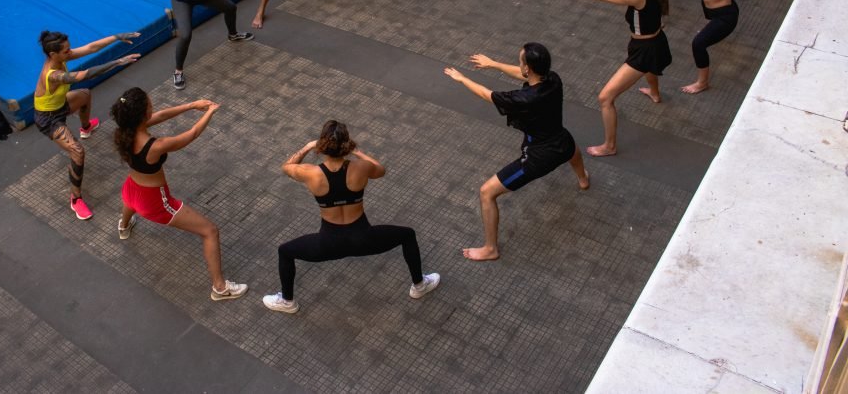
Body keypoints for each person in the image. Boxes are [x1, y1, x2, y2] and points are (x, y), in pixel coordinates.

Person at [262, 120, 440, 314]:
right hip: (364, 239)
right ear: (347, 146)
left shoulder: (311, 173)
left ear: (322, 147)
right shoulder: (361, 168)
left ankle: (288, 302)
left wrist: (308, 146)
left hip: (328, 244)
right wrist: (357, 152)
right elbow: (380, 170)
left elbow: (287, 166)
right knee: (408, 235)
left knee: (285, 251)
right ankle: (419, 285)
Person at [444, 44, 589, 261]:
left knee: (486, 192)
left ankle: (490, 248)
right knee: (572, 150)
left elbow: (486, 94)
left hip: (538, 157)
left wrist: (462, 79)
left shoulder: (523, 99)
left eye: (520, 61)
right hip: (562, 140)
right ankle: (583, 178)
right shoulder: (554, 79)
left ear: (528, 68)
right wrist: (494, 65)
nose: (518, 65)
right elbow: (520, 72)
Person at [111, 87, 247, 301]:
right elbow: (191, 134)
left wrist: (192, 105)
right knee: (210, 231)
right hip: (155, 201)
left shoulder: (124, 131)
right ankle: (220, 288)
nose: (153, 107)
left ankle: (124, 226)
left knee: (130, 201)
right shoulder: (155, 146)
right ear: (144, 114)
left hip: (131, 188)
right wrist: (210, 112)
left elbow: (162, 115)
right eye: (150, 105)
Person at [548, 0, 671, 157]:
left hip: (645, 49)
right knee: (650, 67)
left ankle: (609, 146)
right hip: (653, 41)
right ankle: (655, 93)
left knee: (605, 98)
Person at [33, 30, 141, 219]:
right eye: (66, 50)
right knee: (77, 151)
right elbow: (86, 74)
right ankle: (75, 199)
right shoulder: (53, 75)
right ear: (53, 54)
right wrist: (118, 61)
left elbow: (91, 48)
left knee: (84, 95)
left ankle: (86, 127)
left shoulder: (62, 57)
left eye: (69, 48)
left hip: (60, 105)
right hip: (49, 118)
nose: (70, 52)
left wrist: (116, 37)